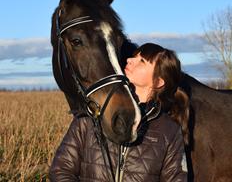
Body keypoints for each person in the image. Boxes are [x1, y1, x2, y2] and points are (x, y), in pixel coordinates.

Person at [49, 43, 189, 182]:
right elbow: (61, 170)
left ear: (158, 82)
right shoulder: (93, 114)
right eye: (134, 56)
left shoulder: (169, 131)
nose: (129, 60)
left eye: (142, 61)